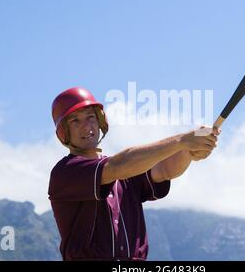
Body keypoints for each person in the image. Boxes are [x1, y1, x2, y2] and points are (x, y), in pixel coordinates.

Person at [48, 87, 220, 261]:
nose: (86, 126)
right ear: (63, 132)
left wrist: (188, 151)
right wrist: (182, 141)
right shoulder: (66, 172)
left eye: (90, 117)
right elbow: (118, 166)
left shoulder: (127, 169)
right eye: (75, 121)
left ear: (100, 120)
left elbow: (164, 170)